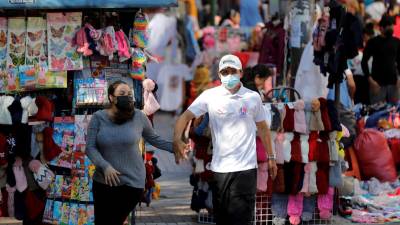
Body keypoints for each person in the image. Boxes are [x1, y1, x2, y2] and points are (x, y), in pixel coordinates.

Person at [173, 54, 277, 225]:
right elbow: (184, 117)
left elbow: (264, 129)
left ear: (241, 73)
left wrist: (271, 157)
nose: (229, 76)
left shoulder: (252, 97)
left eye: (233, 71)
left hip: (246, 169)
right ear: (219, 74)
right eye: (225, 72)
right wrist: (177, 139)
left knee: (243, 219)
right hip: (220, 169)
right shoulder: (210, 96)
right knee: (223, 218)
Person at [86, 80, 173, 225]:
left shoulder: (139, 116)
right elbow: (90, 147)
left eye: (129, 94)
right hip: (103, 181)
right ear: (111, 97)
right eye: (122, 94)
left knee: (113, 221)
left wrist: (175, 147)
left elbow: (155, 139)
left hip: (132, 182)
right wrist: (105, 166)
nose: (127, 96)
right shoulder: (98, 118)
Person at [362, 15, 400, 104]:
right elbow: (364, 61)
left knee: (394, 114)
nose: (391, 27)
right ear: (381, 28)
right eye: (388, 25)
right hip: (377, 84)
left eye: (391, 25)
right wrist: (370, 80)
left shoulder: (397, 42)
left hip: (394, 84)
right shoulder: (373, 42)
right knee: (376, 113)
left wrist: (399, 78)